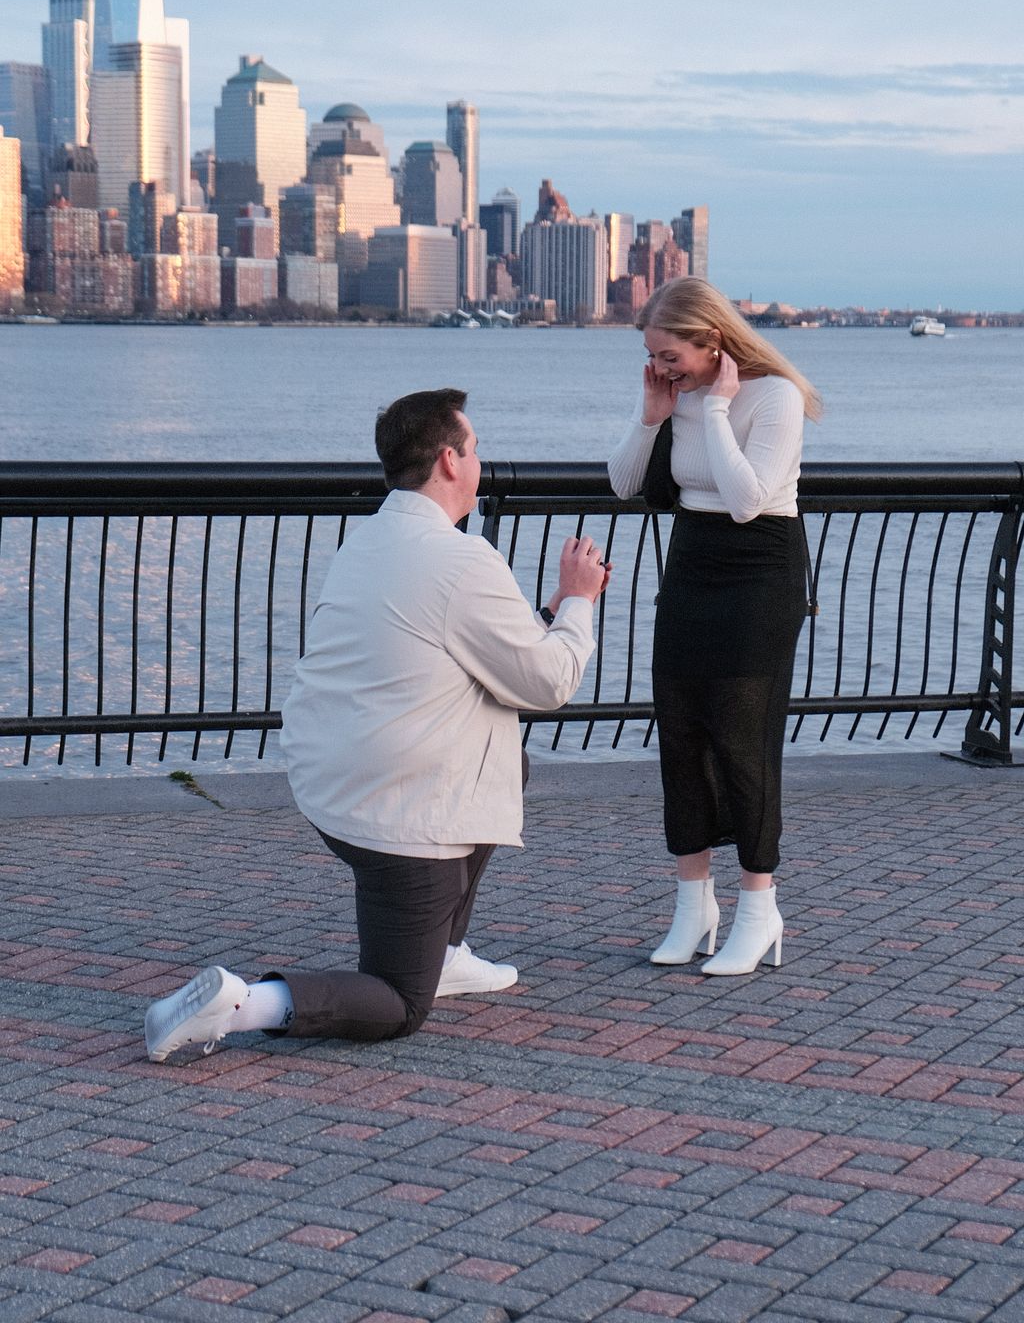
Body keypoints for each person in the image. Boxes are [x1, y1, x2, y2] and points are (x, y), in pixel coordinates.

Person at [145, 387, 608, 1062]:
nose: (481, 463)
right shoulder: (462, 558)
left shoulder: (368, 542)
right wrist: (580, 604)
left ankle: (445, 953)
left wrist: (550, 608)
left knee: (511, 763)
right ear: (450, 461)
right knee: (398, 1001)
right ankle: (241, 1004)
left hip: (330, 780)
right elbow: (547, 682)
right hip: (397, 806)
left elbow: (477, 652)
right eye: (476, 451)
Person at [608, 278, 822, 976]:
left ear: (712, 339)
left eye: (671, 356)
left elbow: (744, 500)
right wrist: (651, 415)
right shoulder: (677, 395)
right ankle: (692, 903)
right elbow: (621, 483)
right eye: (652, 356)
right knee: (681, 731)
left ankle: (760, 909)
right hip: (692, 567)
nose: (661, 368)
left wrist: (721, 408)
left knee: (742, 737)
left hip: (759, 573)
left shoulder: (774, 396)